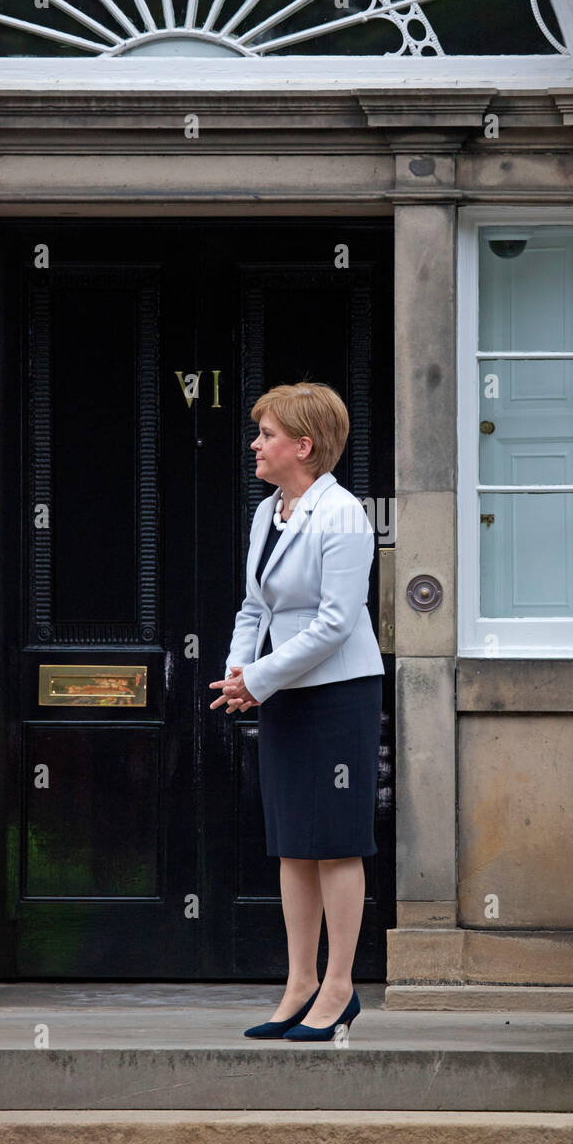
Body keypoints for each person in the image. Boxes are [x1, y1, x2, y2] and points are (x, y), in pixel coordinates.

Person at [209, 382, 384, 1042]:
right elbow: (256, 607)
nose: (256, 444)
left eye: (268, 434)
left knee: (335, 844)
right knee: (291, 846)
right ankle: (299, 983)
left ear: (304, 446)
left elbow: (338, 623)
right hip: (282, 692)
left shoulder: (343, 517)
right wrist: (238, 671)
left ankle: (339, 987)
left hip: (339, 695)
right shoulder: (267, 513)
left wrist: (259, 677)